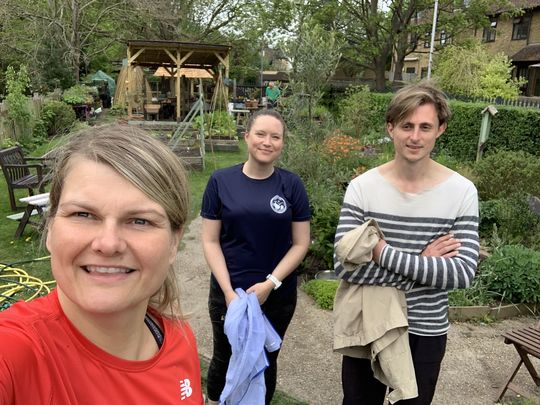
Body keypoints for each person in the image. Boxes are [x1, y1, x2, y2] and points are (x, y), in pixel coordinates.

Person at [0, 124, 203, 404]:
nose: (108, 244)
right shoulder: (15, 352)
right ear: (50, 229)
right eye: (83, 214)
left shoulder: (180, 341)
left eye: (140, 220)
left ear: (173, 242)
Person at [334, 81, 480, 405]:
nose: (415, 137)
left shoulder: (461, 192)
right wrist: (423, 259)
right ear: (391, 128)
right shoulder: (362, 188)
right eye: (406, 126)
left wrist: (382, 252)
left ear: (440, 129)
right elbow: (344, 266)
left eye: (425, 126)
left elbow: (461, 273)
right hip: (369, 326)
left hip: (424, 331)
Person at [201, 109, 311, 404]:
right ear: (247, 136)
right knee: (225, 356)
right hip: (229, 293)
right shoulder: (220, 181)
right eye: (261, 134)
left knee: (265, 359)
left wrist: (271, 283)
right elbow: (210, 240)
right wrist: (227, 292)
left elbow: (301, 243)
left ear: (282, 143)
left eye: (275, 136)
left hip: (277, 296)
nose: (267, 142)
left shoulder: (291, 185)